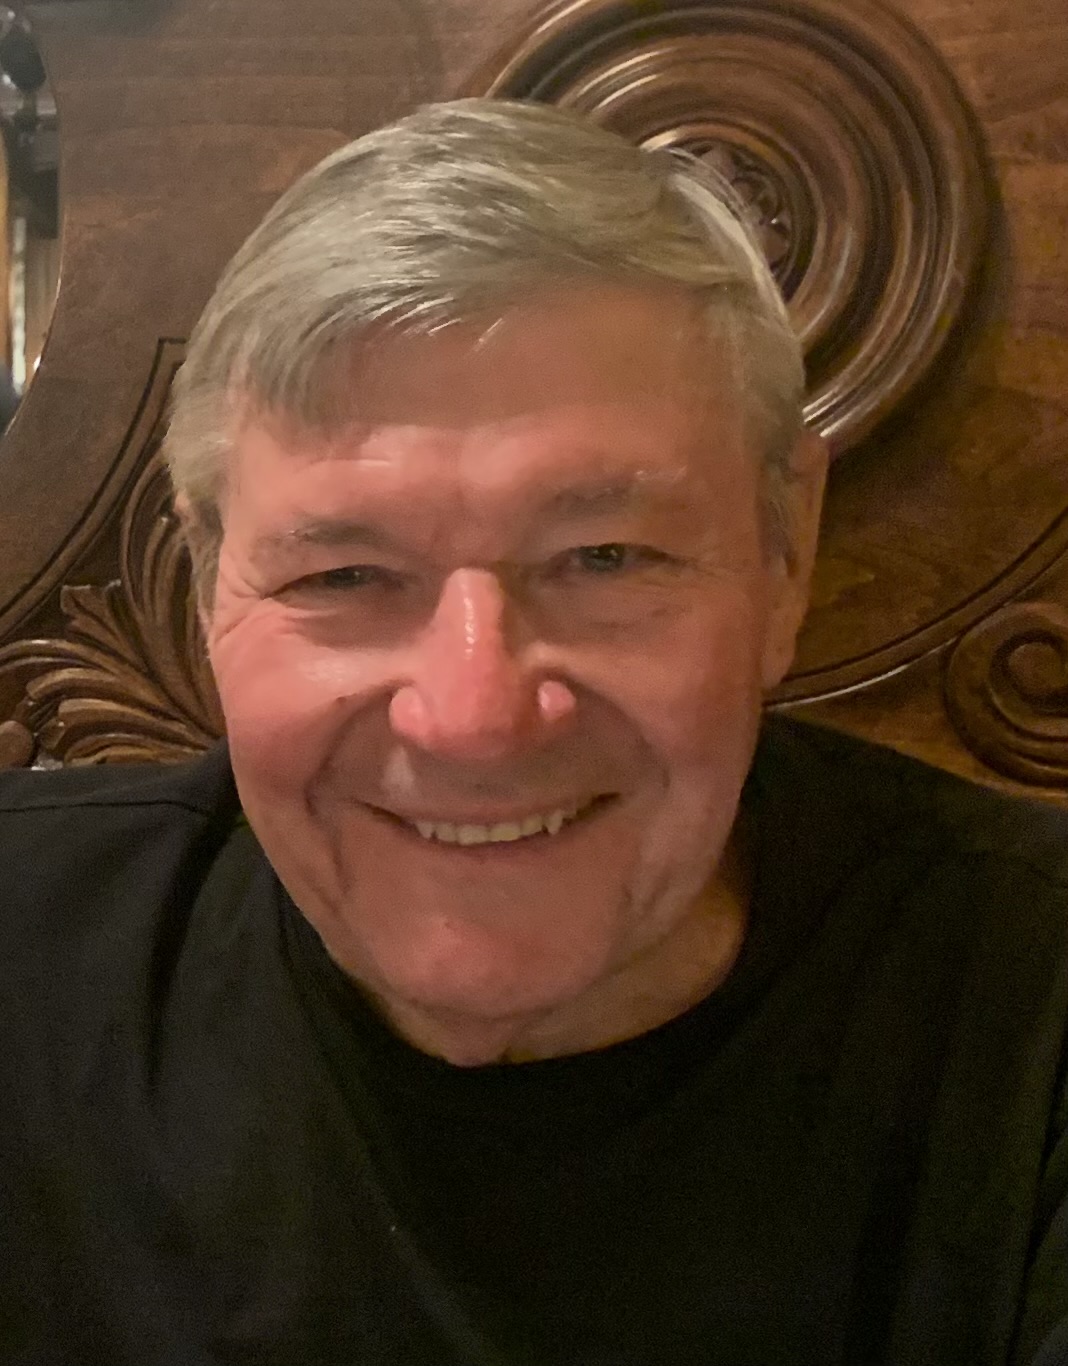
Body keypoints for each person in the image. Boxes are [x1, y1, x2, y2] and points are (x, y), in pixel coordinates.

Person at [1, 99, 1066, 1366]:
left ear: (786, 554)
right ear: (203, 574)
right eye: (342, 575)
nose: (475, 718)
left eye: (605, 556)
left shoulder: (1033, 1014)